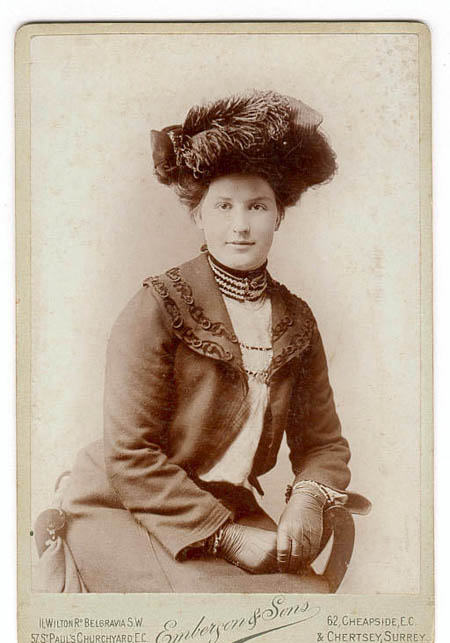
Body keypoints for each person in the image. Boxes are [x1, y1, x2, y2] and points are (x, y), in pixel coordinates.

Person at [37, 90, 369, 593]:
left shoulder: (296, 321)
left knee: (306, 604)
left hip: (228, 504)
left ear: (279, 215)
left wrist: (309, 494)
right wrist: (227, 538)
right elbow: (130, 455)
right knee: (214, 613)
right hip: (127, 505)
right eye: (224, 206)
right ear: (199, 215)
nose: (241, 225)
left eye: (257, 206)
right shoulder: (158, 305)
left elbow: (322, 442)